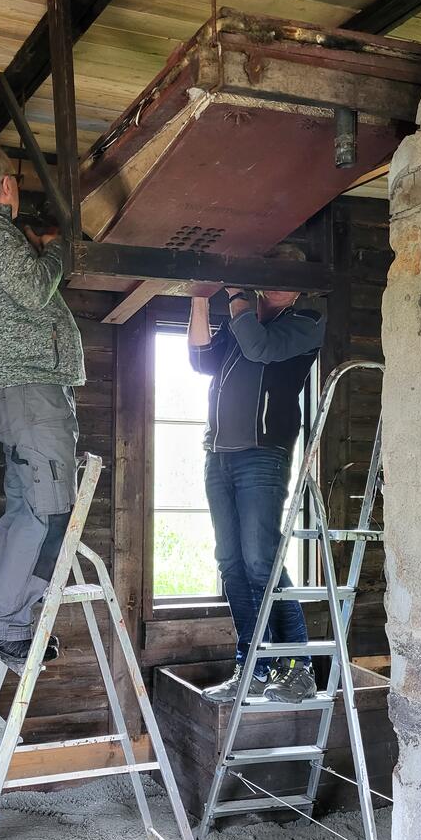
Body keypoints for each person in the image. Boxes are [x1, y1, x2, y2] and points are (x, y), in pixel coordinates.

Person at [0, 140, 85, 673]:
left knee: (26, 512)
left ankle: (3, 624)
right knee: (47, 512)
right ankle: (5, 627)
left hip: (23, 393)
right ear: (6, 185)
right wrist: (59, 249)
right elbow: (33, 290)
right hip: (30, 391)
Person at [187, 264, 325, 704]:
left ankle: (298, 668)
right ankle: (254, 668)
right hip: (219, 455)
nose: (280, 282)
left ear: (300, 290)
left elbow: (260, 348)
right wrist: (198, 298)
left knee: (260, 559)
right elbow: (201, 359)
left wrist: (235, 295)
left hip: (263, 454)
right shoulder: (243, 321)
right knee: (231, 563)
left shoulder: (306, 322)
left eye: (290, 278)